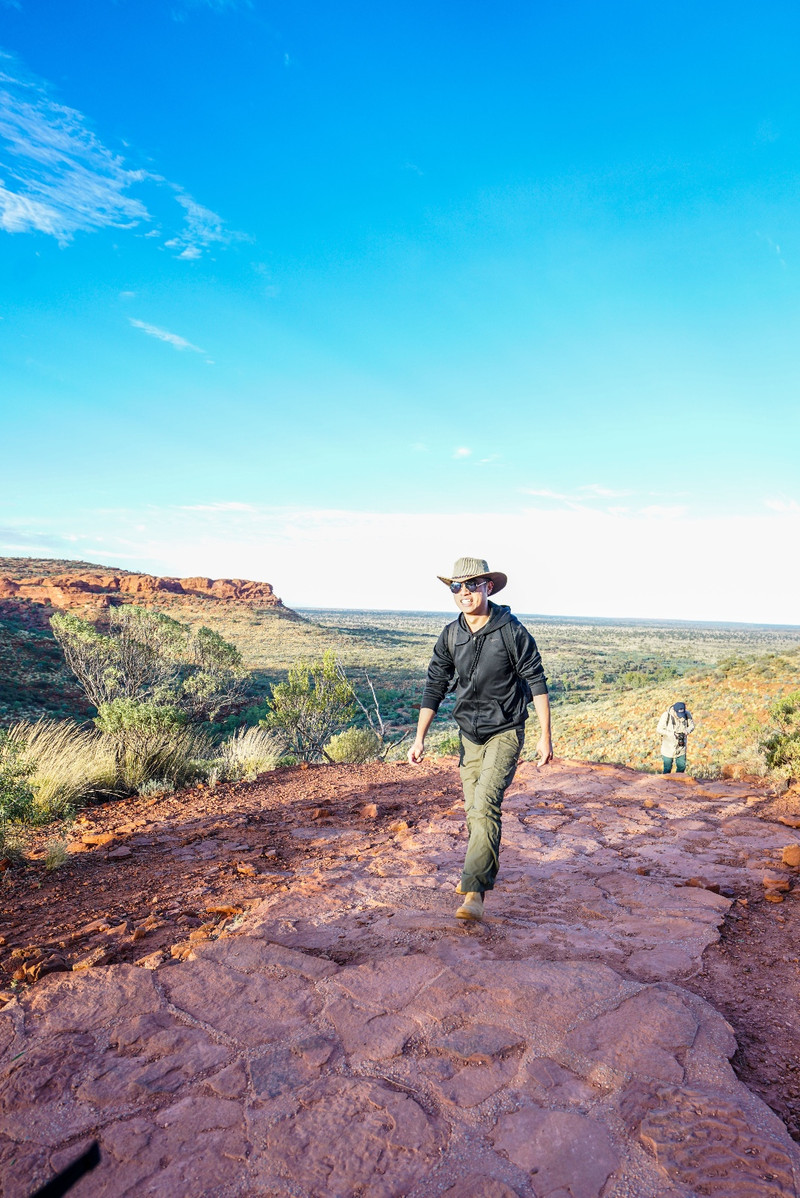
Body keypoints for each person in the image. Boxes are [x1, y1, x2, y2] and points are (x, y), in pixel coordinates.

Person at [408, 556, 552, 922]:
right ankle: (478, 871)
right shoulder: (451, 635)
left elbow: (536, 681)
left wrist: (545, 737)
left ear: (488, 587)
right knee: (474, 811)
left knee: (485, 805)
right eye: (457, 586)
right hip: (468, 736)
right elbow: (435, 686)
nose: (464, 593)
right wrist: (419, 738)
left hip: (505, 732)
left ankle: (475, 892)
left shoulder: (511, 631)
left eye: (472, 585)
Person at [657, 701, 695, 774]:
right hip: (668, 747)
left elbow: (692, 726)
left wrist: (687, 731)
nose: (680, 716)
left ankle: (678, 783)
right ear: (674, 711)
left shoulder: (687, 714)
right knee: (667, 768)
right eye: (678, 714)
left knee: (682, 766)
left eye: (682, 714)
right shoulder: (666, 716)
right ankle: (666, 783)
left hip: (681, 746)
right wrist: (672, 734)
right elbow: (659, 729)